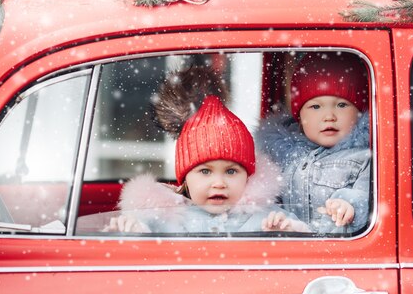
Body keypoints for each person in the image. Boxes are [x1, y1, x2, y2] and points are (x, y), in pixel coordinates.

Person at [109, 95, 310, 234]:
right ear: (186, 178)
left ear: (248, 177)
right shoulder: (163, 218)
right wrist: (131, 229)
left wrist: (287, 233)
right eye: (205, 171)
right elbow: (140, 247)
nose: (219, 183)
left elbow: (305, 238)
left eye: (231, 171)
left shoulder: (266, 217)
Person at [256, 52, 371, 234]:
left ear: (359, 112)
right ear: (300, 118)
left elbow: (369, 196)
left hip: (339, 254)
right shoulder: (280, 156)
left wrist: (350, 204)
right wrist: (277, 219)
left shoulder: (365, 157)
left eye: (341, 105)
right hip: (290, 253)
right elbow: (264, 199)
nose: (329, 116)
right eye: (315, 106)